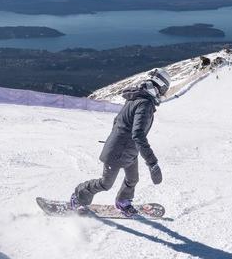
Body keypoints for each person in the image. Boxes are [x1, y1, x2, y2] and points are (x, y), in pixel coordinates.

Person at [70, 68, 171, 216]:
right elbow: (138, 135)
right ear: (160, 87)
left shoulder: (137, 98)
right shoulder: (144, 104)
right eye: (164, 90)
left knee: (133, 178)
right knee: (105, 184)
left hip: (128, 149)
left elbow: (118, 121)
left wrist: (121, 139)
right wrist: (152, 163)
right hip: (118, 151)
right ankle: (78, 195)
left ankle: (123, 201)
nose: (163, 94)